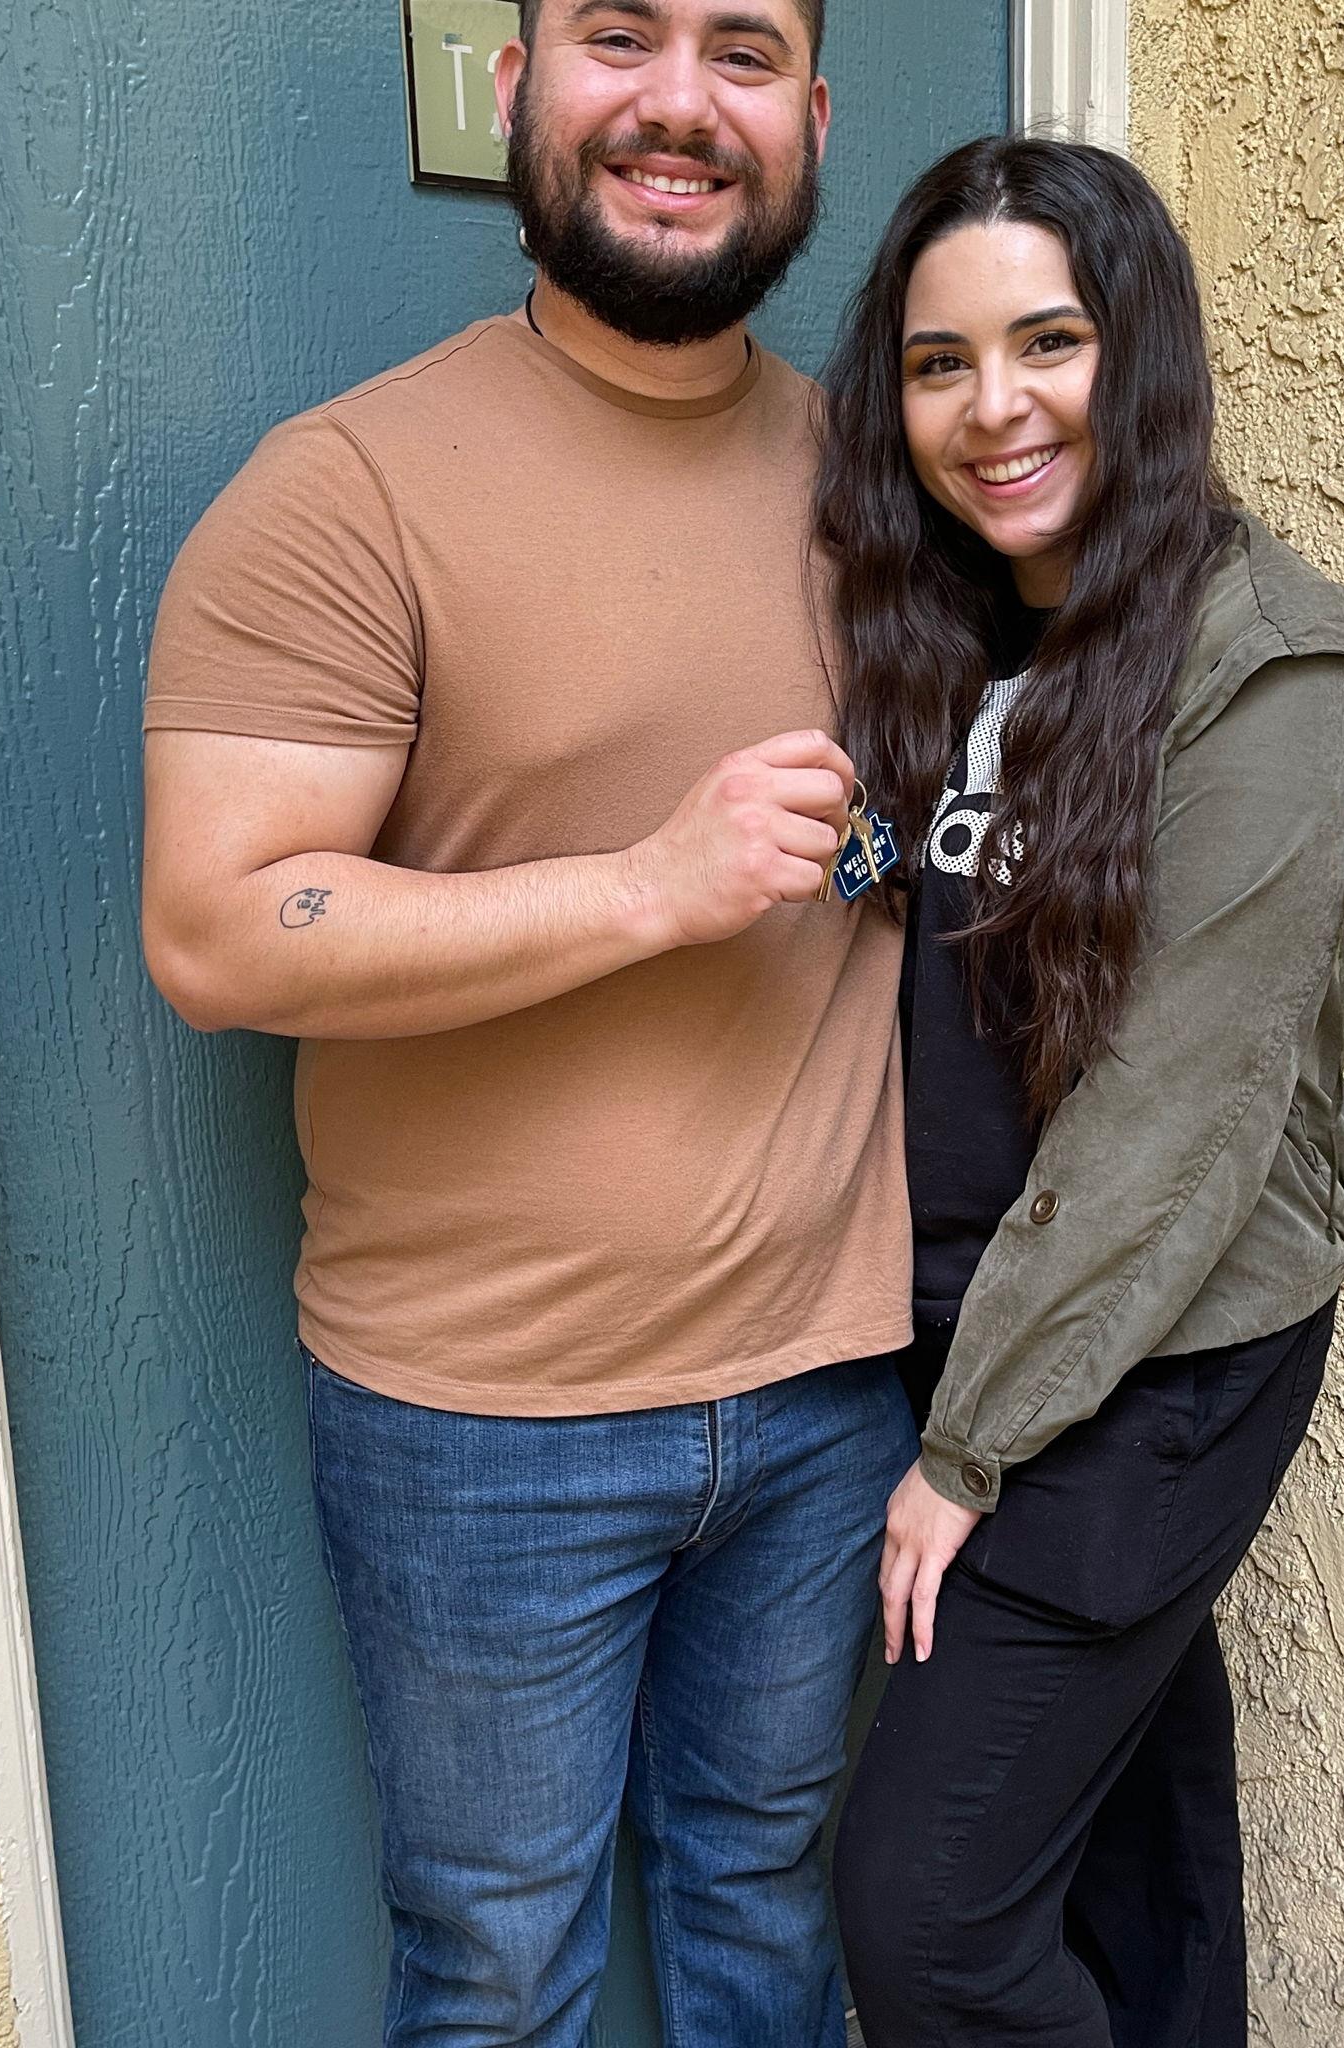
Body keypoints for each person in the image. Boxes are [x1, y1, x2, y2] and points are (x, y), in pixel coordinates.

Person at [139, 5, 918, 2044]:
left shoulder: (892, 482)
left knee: (769, 1901)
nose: (679, 102)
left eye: (742, 51)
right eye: (619, 36)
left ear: (812, 118)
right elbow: (218, 930)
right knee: (496, 1964)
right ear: (514, 89)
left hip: (835, 1383)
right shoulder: (347, 493)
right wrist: (649, 888)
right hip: (479, 1419)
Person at [815, 136, 1344, 2047]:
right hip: (975, 1319)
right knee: (1130, 1848)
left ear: (1141, 351)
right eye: (940, 363)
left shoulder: (1274, 670)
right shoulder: (960, 623)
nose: (993, 408)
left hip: (1142, 1363)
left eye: (1049, 343)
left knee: (927, 1914)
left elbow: (1175, 1131)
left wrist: (964, 1456)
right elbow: (916, 940)